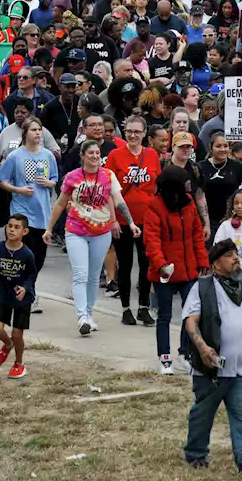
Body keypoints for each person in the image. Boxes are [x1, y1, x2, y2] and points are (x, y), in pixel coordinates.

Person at [181, 239, 242, 473]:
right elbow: (190, 321)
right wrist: (202, 348)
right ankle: (196, 453)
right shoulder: (202, 287)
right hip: (212, 367)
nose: (236, 258)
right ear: (215, 264)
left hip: (241, 367)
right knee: (204, 411)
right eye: (229, 255)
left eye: (236, 254)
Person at [45, 138, 140, 336]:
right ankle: (81, 316)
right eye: (91, 153)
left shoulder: (108, 175)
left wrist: (130, 223)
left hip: (101, 232)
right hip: (75, 231)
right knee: (81, 274)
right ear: (83, 156)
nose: (95, 157)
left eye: (97, 153)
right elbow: (61, 204)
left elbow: (119, 201)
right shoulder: (72, 177)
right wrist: (49, 228)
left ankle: (89, 314)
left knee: (93, 275)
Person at [144, 166, 210, 374]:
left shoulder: (188, 203)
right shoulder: (154, 206)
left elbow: (196, 235)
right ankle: (164, 358)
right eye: (185, 182)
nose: (188, 186)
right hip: (165, 272)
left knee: (190, 314)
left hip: (188, 270)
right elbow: (152, 240)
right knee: (164, 315)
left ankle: (185, 353)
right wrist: (161, 265)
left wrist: (203, 261)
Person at [0, 117, 58, 315]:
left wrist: (49, 183)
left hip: (43, 214)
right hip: (22, 213)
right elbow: (1, 181)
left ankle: (28, 289)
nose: (38, 133)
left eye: (40, 130)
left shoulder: (48, 155)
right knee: (20, 256)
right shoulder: (15, 156)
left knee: (37, 260)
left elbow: (55, 180)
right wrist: (19, 189)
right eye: (34, 130)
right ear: (25, 133)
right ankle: (22, 294)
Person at [104, 115, 158, 327]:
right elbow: (108, 189)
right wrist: (112, 219)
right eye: (129, 131)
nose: (133, 135)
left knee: (146, 264)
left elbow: (154, 186)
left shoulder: (152, 155)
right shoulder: (116, 155)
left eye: (137, 131)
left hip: (147, 219)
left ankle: (143, 307)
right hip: (122, 219)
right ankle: (126, 308)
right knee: (125, 265)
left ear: (145, 134)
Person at [0, 214, 38, 380]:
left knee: (17, 334)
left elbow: (32, 275)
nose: (12, 230)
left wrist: (25, 288)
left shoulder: (27, 254)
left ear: (24, 231)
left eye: (16, 227)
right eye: (10, 226)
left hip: (22, 297)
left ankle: (19, 363)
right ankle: (7, 344)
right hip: (3, 292)